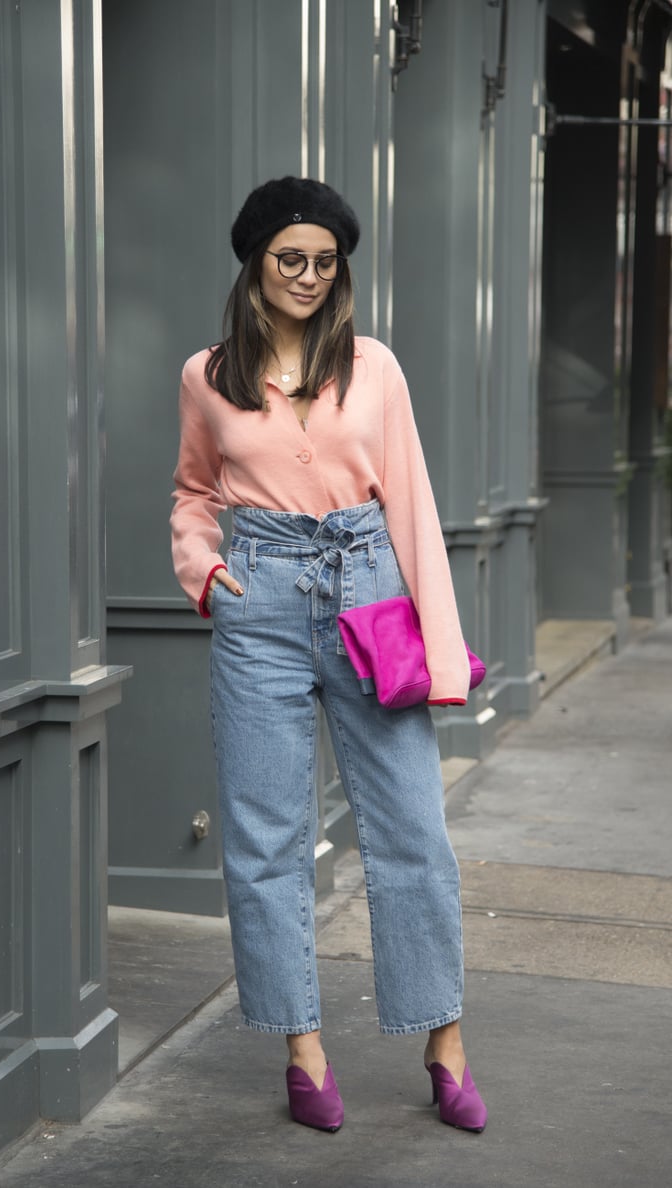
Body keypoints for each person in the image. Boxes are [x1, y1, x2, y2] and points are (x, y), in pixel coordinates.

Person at [170, 176, 487, 1134]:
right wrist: (202, 565)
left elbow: (415, 512)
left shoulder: (374, 368)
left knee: (413, 835)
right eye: (289, 259)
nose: (309, 276)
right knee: (265, 840)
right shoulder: (208, 374)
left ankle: (445, 1039)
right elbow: (191, 492)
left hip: (369, 591)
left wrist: (440, 650)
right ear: (255, 264)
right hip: (257, 602)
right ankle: (302, 1049)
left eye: (324, 260)